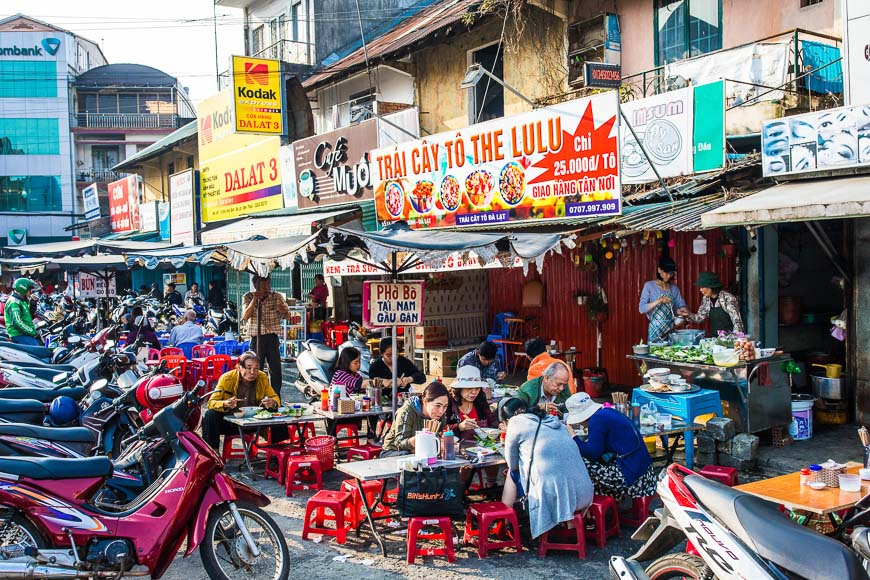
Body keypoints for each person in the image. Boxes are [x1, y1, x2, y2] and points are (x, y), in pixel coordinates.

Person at [499, 397, 593, 539]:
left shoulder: (516, 422)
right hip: (584, 492)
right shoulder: (552, 420)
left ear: (507, 420)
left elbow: (512, 463)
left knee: (511, 474)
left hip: (556, 495)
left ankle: (505, 522)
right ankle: (568, 523)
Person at [564, 392, 656, 500]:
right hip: (646, 474)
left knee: (579, 460)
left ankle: (580, 500)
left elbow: (592, 454)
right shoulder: (608, 412)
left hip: (632, 478)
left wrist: (573, 436)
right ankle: (603, 502)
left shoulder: (597, 420)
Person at [202, 351, 287, 449]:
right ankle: (213, 455)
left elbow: (274, 397)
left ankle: (278, 450)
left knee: (278, 410)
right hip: (231, 423)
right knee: (210, 415)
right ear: (238, 367)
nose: (252, 372)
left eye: (256, 368)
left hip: (256, 422)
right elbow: (211, 403)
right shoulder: (227, 378)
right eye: (248, 367)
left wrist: (273, 402)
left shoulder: (262, 376)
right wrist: (225, 404)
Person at [242, 275, 294, 390]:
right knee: (255, 369)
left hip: (272, 338)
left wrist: (284, 311)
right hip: (256, 339)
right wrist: (255, 299)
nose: (266, 287)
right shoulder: (248, 297)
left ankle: (275, 396)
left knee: (275, 369)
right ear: (256, 285)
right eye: (263, 285)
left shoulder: (277, 296)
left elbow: (288, 316)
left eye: (267, 284)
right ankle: (255, 395)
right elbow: (245, 316)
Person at [381, 381, 451, 457]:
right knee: (411, 456)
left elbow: (438, 437)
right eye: (437, 406)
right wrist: (417, 440)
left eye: (445, 406)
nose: (441, 411)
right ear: (425, 401)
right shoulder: (407, 412)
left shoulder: (440, 416)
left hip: (422, 452)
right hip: (393, 451)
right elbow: (399, 443)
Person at [678, 271, 745, 335]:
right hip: (716, 340)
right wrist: (688, 314)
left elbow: (738, 323)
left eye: (703, 287)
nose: (700, 290)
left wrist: (732, 341)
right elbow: (699, 318)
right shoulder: (706, 299)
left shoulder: (728, 298)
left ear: (711, 287)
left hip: (730, 339)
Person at [639, 257, 687, 344]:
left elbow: (681, 305)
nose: (668, 276)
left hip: (671, 330)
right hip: (655, 331)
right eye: (666, 273)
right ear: (659, 270)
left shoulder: (674, 289)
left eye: (671, 273)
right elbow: (642, 309)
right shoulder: (649, 286)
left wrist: (683, 311)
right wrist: (659, 300)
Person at [448, 366, 497, 441]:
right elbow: (441, 429)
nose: (474, 392)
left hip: (480, 446)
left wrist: (501, 425)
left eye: (477, 388)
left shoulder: (480, 399)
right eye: (469, 388)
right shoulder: (448, 402)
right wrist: (460, 426)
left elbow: (491, 418)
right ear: (459, 389)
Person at [5, 278, 39, 345]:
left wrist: (33, 304)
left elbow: (27, 316)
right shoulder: (14, 302)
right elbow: (17, 323)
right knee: (39, 348)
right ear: (23, 289)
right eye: (29, 290)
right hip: (18, 335)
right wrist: (33, 332)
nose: (30, 292)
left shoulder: (22, 301)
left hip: (24, 333)